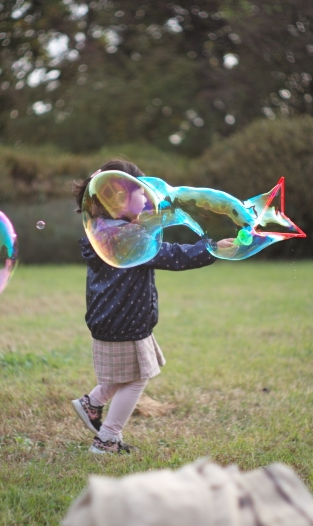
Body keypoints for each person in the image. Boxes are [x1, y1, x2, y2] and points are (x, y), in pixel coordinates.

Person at [70, 159, 232, 454]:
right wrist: (211, 248)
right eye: (141, 192)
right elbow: (172, 256)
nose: (147, 197)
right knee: (135, 381)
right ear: (119, 199)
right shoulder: (128, 237)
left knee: (123, 374)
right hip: (125, 321)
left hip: (109, 318)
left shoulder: (107, 233)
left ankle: (90, 404)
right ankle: (107, 439)